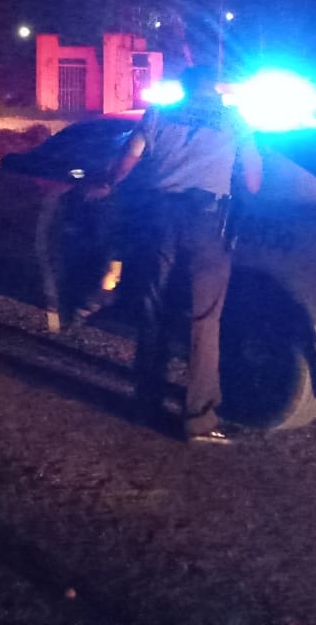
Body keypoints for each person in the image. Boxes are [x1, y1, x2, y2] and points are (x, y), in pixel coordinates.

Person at [90, 64, 262, 444]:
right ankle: (198, 420)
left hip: (160, 218)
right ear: (213, 91)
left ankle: (144, 405)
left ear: (184, 90)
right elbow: (253, 178)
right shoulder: (234, 119)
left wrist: (105, 185)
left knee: (154, 311)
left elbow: (126, 163)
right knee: (204, 320)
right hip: (206, 222)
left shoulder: (159, 114)